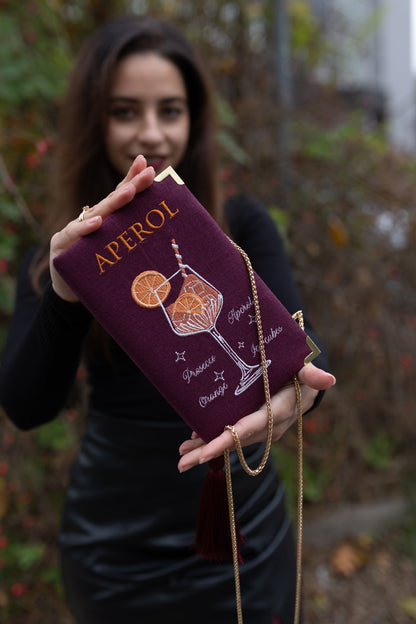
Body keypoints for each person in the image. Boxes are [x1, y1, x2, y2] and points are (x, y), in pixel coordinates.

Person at [0, 15, 334, 624]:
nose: (150, 133)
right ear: (94, 121)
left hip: (242, 531)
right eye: (126, 111)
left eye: (170, 111)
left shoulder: (243, 224)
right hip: (113, 546)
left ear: (194, 120)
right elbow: (26, 405)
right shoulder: (55, 261)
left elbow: (302, 355)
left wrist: (297, 399)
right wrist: (66, 292)